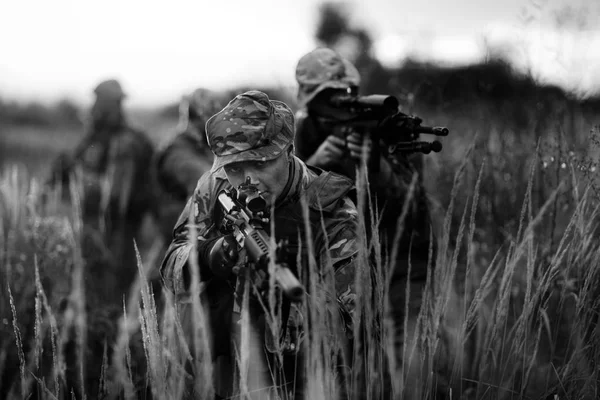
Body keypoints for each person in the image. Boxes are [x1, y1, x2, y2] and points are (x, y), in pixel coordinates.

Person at [160, 90, 360, 399]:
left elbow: (351, 331)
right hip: (219, 372)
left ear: (289, 151)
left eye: (260, 163)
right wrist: (209, 256)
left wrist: (285, 298)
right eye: (235, 168)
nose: (247, 180)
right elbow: (172, 264)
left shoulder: (334, 216)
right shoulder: (215, 186)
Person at [294, 47, 438, 396]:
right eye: (326, 100)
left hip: (400, 266)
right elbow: (290, 209)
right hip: (342, 272)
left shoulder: (387, 128)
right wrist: (313, 164)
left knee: (404, 375)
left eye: (344, 97)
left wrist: (375, 165)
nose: (336, 110)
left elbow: (411, 207)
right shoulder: (302, 131)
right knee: (349, 374)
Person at [49, 78, 155, 301]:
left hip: (120, 229)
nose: (95, 106)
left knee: (115, 290)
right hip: (95, 226)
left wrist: (81, 181)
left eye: (100, 101)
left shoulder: (127, 141)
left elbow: (116, 197)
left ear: (114, 104)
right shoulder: (95, 135)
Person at [154, 88, 222, 243]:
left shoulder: (202, 144)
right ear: (198, 119)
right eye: (213, 118)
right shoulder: (177, 151)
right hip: (182, 237)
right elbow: (207, 181)